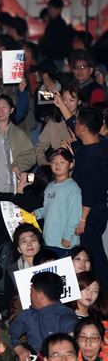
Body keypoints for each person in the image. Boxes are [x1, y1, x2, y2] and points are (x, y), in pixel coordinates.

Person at [70, 107, 108, 284]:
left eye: (77, 124)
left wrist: (83, 219)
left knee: (94, 256)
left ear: (84, 128)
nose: (74, 126)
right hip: (100, 208)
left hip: (90, 212)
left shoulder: (90, 158)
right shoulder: (102, 143)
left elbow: (89, 191)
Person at [10, 271, 78, 359]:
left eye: (31, 290)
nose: (30, 294)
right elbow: (8, 333)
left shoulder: (67, 319)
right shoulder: (29, 314)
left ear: (40, 295)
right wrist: (17, 346)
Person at [32, 148, 82, 256]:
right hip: (49, 240)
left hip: (64, 243)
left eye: (62, 162)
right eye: (54, 162)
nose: (57, 165)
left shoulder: (73, 188)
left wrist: (67, 237)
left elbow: (75, 215)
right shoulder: (50, 186)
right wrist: (37, 213)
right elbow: (47, 209)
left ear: (71, 165)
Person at [37, 86, 80, 166]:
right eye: (63, 100)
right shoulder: (53, 123)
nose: (66, 104)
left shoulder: (84, 122)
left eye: (71, 100)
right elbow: (40, 147)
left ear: (79, 101)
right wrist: (45, 164)